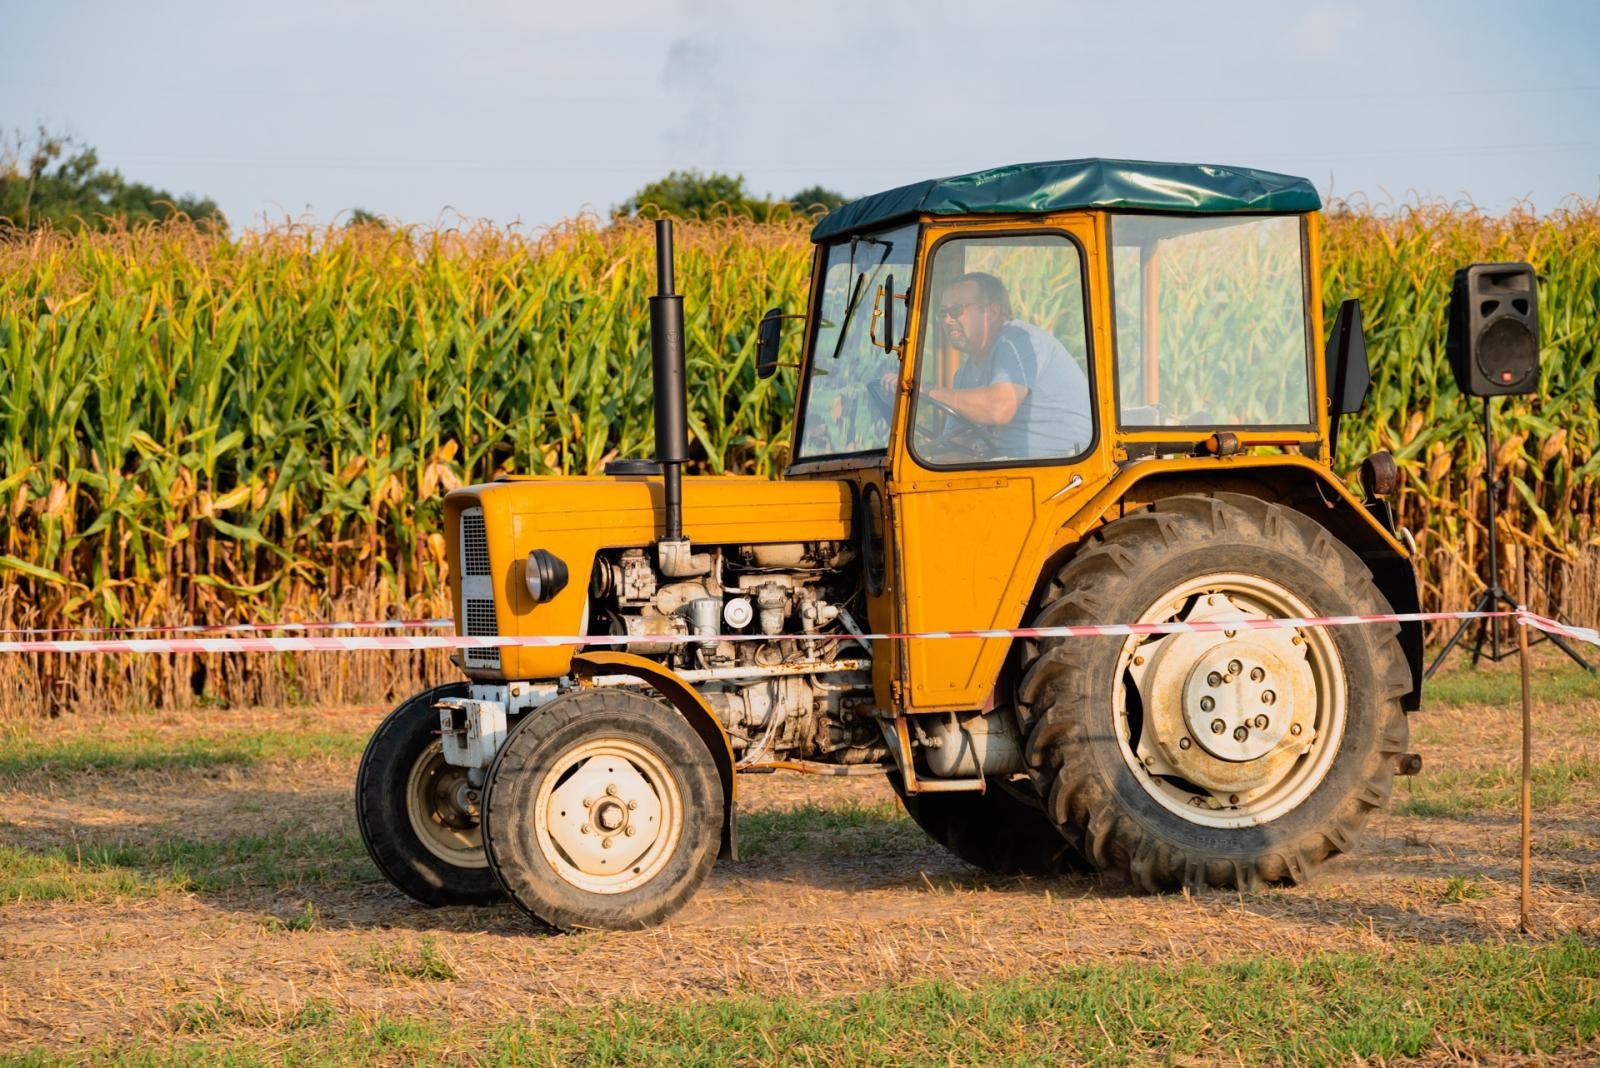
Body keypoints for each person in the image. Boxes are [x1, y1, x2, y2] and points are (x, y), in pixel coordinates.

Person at [920, 272, 1090, 459]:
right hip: (1005, 470)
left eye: (956, 310)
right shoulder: (963, 375)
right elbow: (954, 445)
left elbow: (999, 408)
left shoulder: (1018, 342)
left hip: (1062, 471)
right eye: (943, 313)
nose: (946, 320)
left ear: (991, 312)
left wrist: (928, 392)